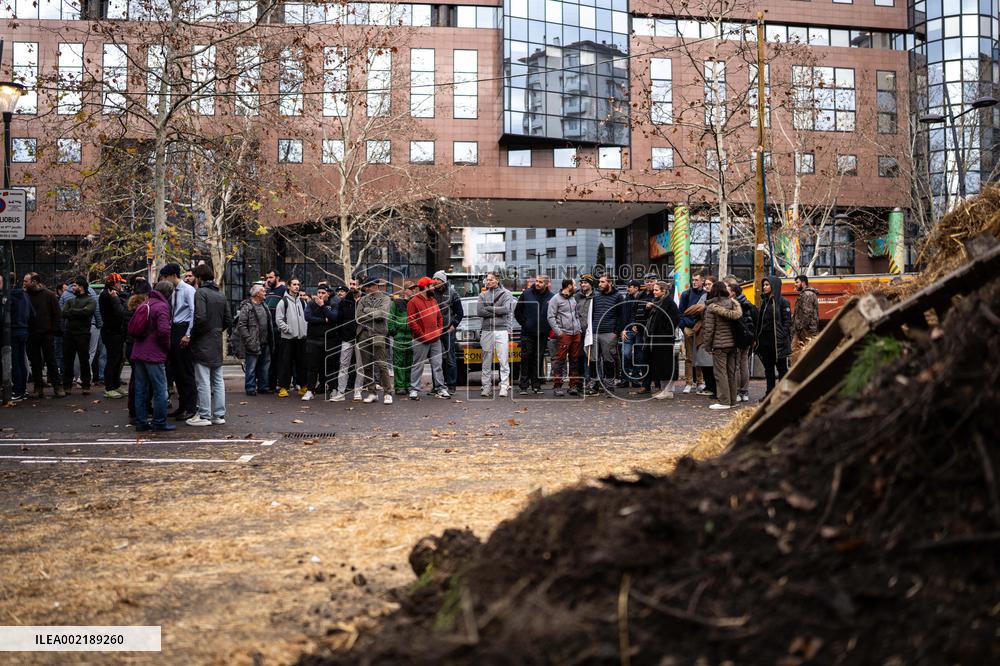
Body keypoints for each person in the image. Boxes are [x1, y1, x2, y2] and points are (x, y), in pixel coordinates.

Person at [187, 264, 232, 426]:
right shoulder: (220, 295)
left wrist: (192, 336)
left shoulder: (200, 293)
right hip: (216, 340)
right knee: (218, 380)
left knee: (203, 380)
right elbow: (228, 320)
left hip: (203, 341)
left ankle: (204, 415)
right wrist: (217, 331)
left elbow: (200, 317)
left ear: (199, 278)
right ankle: (219, 415)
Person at [128, 281, 175, 431]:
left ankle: (141, 422)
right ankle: (159, 421)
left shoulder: (145, 303)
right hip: (154, 354)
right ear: (168, 293)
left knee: (141, 389)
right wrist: (167, 348)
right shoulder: (162, 307)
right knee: (160, 390)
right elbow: (163, 331)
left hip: (138, 351)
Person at [160, 263, 198, 421]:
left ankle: (190, 407)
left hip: (183, 329)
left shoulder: (188, 290)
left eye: (165, 277)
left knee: (186, 371)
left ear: (172, 275)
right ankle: (182, 406)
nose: (164, 280)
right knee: (177, 371)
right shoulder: (173, 292)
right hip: (175, 329)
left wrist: (188, 334)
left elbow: (193, 312)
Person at [702, 281, 743, 409]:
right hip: (733, 343)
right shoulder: (733, 304)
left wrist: (707, 346)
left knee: (720, 373)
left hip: (719, 344)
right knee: (731, 372)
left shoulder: (712, 307)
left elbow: (709, 329)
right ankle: (732, 400)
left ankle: (724, 401)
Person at [407, 277, 449, 400]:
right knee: (417, 365)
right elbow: (411, 321)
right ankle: (414, 390)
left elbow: (439, 318)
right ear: (425, 288)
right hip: (420, 340)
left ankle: (440, 388)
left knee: (437, 365)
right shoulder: (413, 302)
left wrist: (439, 331)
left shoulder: (433, 301)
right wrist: (421, 335)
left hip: (435, 339)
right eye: (431, 286)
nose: (433, 288)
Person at [356, 277, 394, 404]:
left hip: (378, 333)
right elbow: (358, 317)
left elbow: (382, 314)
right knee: (366, 365)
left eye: (370, 286)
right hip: (363, 334)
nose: (367, 288)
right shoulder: (363, 299)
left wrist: (367, 310)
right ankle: (372, 392)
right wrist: (373, 313)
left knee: (382, 364)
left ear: (376, 286)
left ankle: (388, 393)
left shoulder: (385, 298)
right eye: (366, 286)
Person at [514, 274, 553, 395]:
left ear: (546, 284)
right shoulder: (526, 294)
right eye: (536, 281)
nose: (537, 283)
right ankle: (524, 386)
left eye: (541, 282)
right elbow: (517, 312)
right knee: (526, 358)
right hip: (527, 333)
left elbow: (553, 314)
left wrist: (547, 327)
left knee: (538, 358)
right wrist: (525, 323)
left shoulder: (551, 297)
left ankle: (536, 385)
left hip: (542, 333)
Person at [477, 272, 514, 397]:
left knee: (503, 360)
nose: (488, 282)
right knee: (486, 360)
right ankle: (486, 387)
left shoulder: (506, 294)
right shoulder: (482, 295)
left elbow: (506, 310)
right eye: (487, 280)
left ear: (497, 280)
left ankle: (504, 386)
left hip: (501, 330)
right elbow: (480, 312)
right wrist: (496, 311)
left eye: (491, 280)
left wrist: (489, 308)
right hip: (487, 330)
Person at [755, 275, 792, 397]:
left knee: (782, 369)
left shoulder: (782, 302)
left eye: (767, 285)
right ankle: (769, 394)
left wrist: (782, 335)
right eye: (764, 285)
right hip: (765, 342)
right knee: (768, 370)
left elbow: (787, 322)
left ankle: (782, 395)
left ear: (774, 286)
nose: (764, 287)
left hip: (778, 342)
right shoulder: (764, 302)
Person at [235, 284, 274, 396]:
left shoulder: (264, 305)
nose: (265, 293)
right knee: (251, 367)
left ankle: (263, 387)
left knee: (264, 367)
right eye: (263, 291)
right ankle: (250, 388)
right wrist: (249, 340)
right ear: (257, 294)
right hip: (253, 343)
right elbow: (241, 325)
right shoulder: (247, 307)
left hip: (265, 342)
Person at [546, 278, 583, 397]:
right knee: (560, 361)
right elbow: (550, 317)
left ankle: (573, 386)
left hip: (576, 333)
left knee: (574, 360)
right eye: (574, 284)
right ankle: (557, 386)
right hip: (564, 334)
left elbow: (576, 315)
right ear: (568, 286)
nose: (576, 286)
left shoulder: (573, 298)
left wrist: (579, 329)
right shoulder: (555, 299)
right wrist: (559, 332)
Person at [61, 277, 97, 396]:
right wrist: (79, 311)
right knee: (68, 361)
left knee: (84, 360)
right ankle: (67, 386)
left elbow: (87, 312)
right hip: (70, 333)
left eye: (75, 286)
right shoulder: (71, 301)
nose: (73, 288)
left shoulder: (90, 300)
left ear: (81, 287)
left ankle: (86, 385)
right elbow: (63, 313)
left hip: (82, 334)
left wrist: (72, 312)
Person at [644, 281, 680, 400]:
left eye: (656, 290)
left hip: (664, 338)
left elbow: (674, 319)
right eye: (653, 290)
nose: (653, 292)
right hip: (657, 338)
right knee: (660, 364)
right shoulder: (658, 302)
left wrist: (665, 332)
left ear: (663, 291)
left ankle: (668, 390)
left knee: (666, 364)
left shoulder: (668, 302)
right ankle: (664, 390)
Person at [303, 284, 338, 400]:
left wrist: (323, 307)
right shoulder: (311, 304)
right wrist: (324, 320)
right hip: (313, 340)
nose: (321, 295)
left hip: (329, 340)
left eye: (323, 293)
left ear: (328, 293)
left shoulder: (333, 304)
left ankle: (333, 389)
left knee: (330, 366)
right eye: (319, 293)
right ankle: (310, 390)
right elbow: (308, 317)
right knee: (312, 367)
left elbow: (333, 317)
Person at [331, 280, 364, 402]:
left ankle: (358, 392)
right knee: (343, 365)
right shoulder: (344, 301)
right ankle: (340, 392)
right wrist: (341, 334)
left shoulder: (365, 300)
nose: (352, 286)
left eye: (354, 284)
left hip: (362, 338)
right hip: (346, 338)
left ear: (360, 285)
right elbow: (339, 320)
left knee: (360, 366)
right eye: (350, 284)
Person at [275, 277, 308, 398]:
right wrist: (288, 330)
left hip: (301, 338)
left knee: (302, 363)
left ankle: (303, 386)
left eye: (298, 284)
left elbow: (306, 318)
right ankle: (283, 387)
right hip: (287, 338)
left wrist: (305, 330)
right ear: (289, 286)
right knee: (285, 363)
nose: (296, 286)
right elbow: (278, 320)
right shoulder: (283, 302)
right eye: (294, 284)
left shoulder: (303, 302)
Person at [725, 277, 756, 403]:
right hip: (748, 336)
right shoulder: (747, 302)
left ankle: (738, 391)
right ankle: (745, 391)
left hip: (737, 337)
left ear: (733, 293)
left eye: (728, 289)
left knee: (737, 365)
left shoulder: (734, 304)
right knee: (744, 364)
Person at [432, 271, 464, 393]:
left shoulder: (452, 293)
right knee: (435, 359)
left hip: (447, 330)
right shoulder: (431, 293)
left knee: (450, 358)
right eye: (434, 279)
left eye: (438, 279)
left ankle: (451, 386)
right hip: (434, 331)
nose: (435, 281)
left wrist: (453, 325)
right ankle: (437, 386)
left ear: (443, 281)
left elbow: (460, 313)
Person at [591, 274, 623, 393]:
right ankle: (594, 385)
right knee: (594, 359)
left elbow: (621, 315)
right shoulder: (596, 296)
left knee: (608, 359)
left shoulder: (618, 296)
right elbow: (592, 313)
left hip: (609, 333)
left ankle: (609, 385)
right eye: (599, 282)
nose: (599, 284)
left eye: (603, 282)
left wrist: (616, 332)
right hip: (595, 332)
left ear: (609, 283)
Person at [99, 273, 129, 399]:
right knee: (112, 359)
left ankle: (115, 385)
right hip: (112, 332)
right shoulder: (108, 295)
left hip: (117, 331)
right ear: (113, 283)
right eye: (119, 283)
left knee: (119, 359)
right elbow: (121, 312)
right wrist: (116, 299)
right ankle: (109, 387)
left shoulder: (114, 294)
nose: (120, 285)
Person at [678, 273, 706, 393]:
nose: (694, 282)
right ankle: (689, 382)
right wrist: (684, 326)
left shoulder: (706, 294)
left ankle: (700, 382)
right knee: (689, 357)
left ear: (702, 281)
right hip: (689, 327)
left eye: (696, 280)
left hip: (701, 327)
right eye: (693, 280)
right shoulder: (686, 294)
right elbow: (680, 313)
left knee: (700, 356)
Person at [7, 275, 33, 401]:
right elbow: (33, 314)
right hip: (23, 330)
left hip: (13, 330)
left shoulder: (10, 297)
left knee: (15, 361)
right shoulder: (25, 296)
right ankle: (22, 389)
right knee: (21, 361)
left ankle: (17, 390)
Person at [388, 281, 415, 396]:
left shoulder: (415, 303)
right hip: (399, 336)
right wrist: (393, 332)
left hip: (411, 337)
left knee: (409, 363)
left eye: (414, 289)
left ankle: (408, 385)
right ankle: (399, 387)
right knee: (399, 363)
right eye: (410, 288)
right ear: (405, 290)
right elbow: (391, 317)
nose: (413, 290)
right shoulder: (396, 302)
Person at [263, 271, 287, 392]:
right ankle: (269, 384)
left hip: (278, 330)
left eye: (271, 277)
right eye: (267, 277)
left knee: (278, 358)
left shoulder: (283, 290)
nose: (268, 279)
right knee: (269, 358)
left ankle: (279, 383)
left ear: (277, 278)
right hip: (267, 329)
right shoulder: (266, 291)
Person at [575, 275, 596, 393]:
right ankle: (579, 382)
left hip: (591, 332)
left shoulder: (596, 296)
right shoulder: (577, 296)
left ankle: (592, 382)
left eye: (585, 283)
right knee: (579, 357)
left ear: (591, 284)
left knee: (591, 358)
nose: (583, 285)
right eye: (581, 283)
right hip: (579, 331)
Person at [792, 274, 820, 363]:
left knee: (798, 352)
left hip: (806, 331)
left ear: (803, 283)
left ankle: (796, 374)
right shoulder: (806, 294)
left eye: (797, 282)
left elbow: (807, 314)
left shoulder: (807, 294)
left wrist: (800, 328)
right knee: (799, 352)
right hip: (805, 330)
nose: (795, 284)